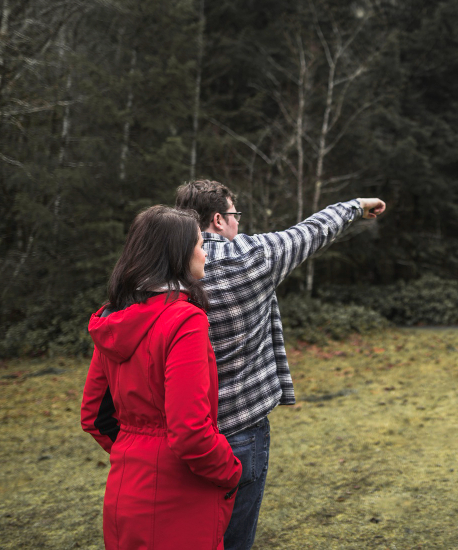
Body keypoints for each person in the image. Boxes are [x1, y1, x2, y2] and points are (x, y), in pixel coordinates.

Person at [175, 180, 385, 550]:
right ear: (220, 219)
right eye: (236, 215)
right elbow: (312, 231)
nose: (239, 223)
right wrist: (356, 206)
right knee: (234, 540)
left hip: (179, 432)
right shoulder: (255, 255)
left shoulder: (161, 269)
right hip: (241, 430)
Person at [81, 205, 243, 550]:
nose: (205, 253)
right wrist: (230, 471)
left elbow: (94, 416)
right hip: (177, 499)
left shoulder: (115, 316)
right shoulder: (184, 320)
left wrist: (136, 448)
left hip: (126, 491)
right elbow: (190, 432)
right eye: (200, 244)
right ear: (178, 255)